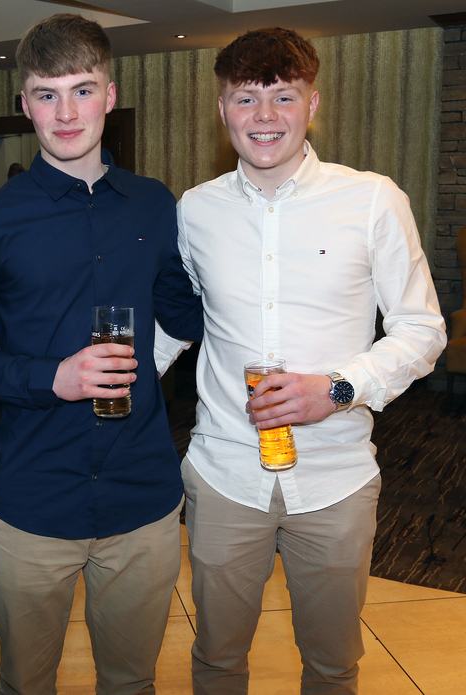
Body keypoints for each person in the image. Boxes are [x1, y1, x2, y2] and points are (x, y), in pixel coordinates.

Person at [174, 27, 446, 694]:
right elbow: (177, 321)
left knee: (332, 664)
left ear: (313, 104)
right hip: (225, 473)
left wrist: (339, 387)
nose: (264, 116)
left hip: (335, 478)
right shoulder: (196, 210)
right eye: (246, 98)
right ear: (222, 109)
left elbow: (422, 329)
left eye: (283, 97)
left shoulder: (373, 200)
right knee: (217, 658)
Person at [0, 13, 204, 695]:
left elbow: (187, 313)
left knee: (132, 682)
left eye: (82, 91)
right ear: (24, 104)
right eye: (46, 94)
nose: (65, 113)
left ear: (109, 96)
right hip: (35, 498)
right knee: (25, 682)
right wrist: (50, 378)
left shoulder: (153, 205)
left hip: (142, 496)